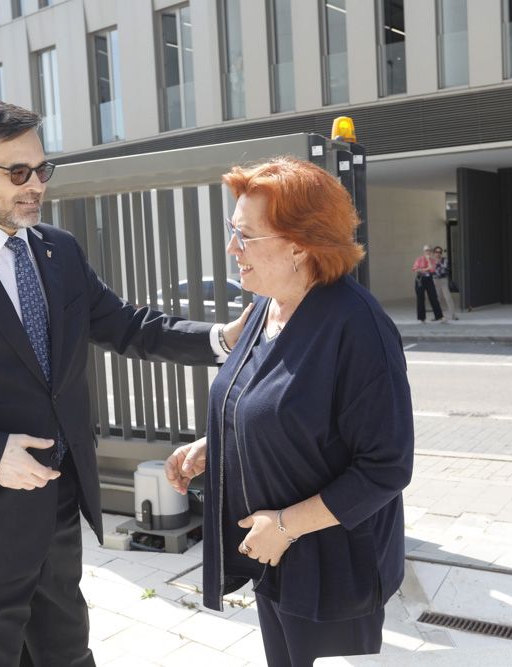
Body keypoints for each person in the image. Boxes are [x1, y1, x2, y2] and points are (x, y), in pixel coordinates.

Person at [0, 100, 248, 666]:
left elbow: (126, 325)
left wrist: (221, 339)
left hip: (57, 517)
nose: (34, 186)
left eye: (41, 170)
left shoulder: (58, 250)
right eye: (16, 173)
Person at [163, 157, 413, 666]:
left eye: (246, 237)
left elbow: (386, 468)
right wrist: (218, 443)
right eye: (233, 233)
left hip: (330, 568)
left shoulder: (358, 327)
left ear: (300, 243)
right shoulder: (265, 307)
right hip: (273, 554)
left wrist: (287, 526)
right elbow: (272, 404)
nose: (233, 250)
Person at [411, 245, 443, 322]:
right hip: (420, 280)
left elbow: (432, 270)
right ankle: (422, 318)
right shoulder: (419, 259)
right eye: (426, 250)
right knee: (420, 298)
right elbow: (415, 269)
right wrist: (425, 269)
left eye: (429, 250)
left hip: (429, 279)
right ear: (424, 251)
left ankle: (439, 316)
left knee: (433, 297)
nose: (428, 252)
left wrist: (428, 261)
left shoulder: (432, 260)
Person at [431, 246, 459, 321]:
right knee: (436, 299)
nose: (438, 254)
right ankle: (437, 316)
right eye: (436, 252)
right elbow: (431, 270)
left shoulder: (444, 260)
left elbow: (444, 268)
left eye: (440, 252)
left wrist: (437, 264)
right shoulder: (431, 261)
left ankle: (453, 315)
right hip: (435, 280)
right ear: (434, 253)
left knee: (448, 297)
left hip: (443, 280)